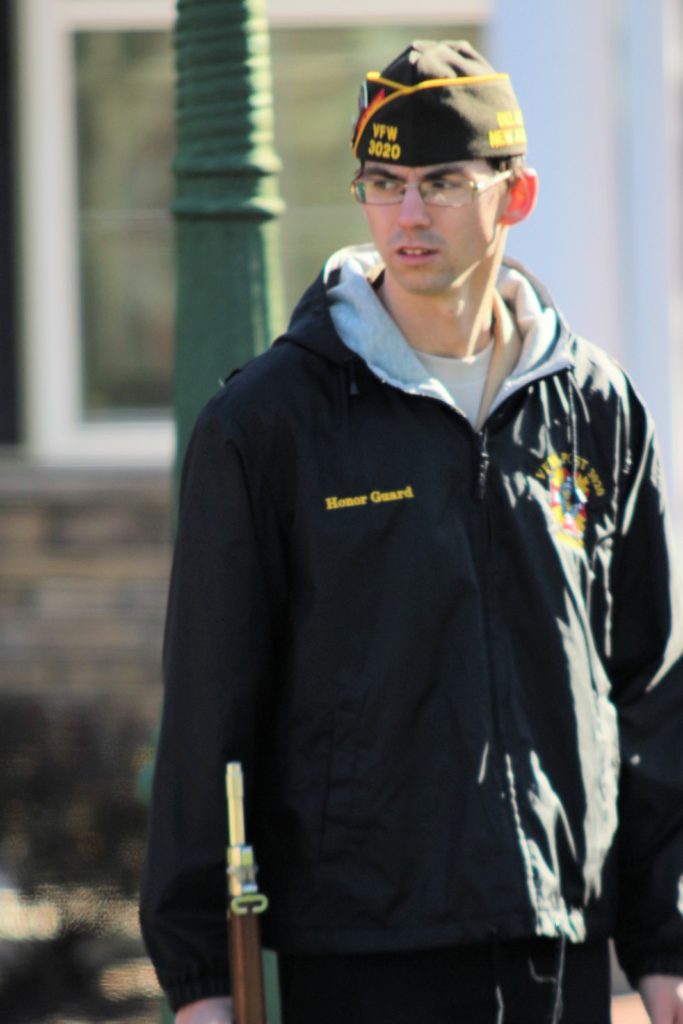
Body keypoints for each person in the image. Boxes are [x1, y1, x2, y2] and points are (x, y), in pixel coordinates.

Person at [140, 40, 683, 1023]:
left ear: (515, 196)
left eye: (441, 182)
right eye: (383, 184)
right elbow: (208, 709)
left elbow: (644, 687)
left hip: (557, 943)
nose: (407, 214)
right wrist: (201, 981)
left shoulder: (596, 406)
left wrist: (663, 941)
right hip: (361, 951)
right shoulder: (266, 423)